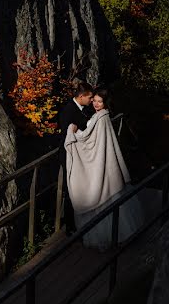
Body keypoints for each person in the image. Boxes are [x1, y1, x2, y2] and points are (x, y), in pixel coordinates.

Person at [64, 88, 144, 250]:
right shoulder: (103, 116)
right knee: (111, 196)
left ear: (105, 103)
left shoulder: (101, 117)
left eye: (100, 101)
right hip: (108, 165)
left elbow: (88, 139)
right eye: (94, 100)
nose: (96, 104)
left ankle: (108, 239)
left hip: (103, 163)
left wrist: (73, 132)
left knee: (104, 198)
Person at [56, 82, 95, 233]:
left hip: (79, 154)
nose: (91, 100)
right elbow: (67, 135)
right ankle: (70, 227)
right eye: (90, 97)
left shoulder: (83, 109)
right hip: (69, 155)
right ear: (81, 96)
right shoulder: (68, 111)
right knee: (70, 188)